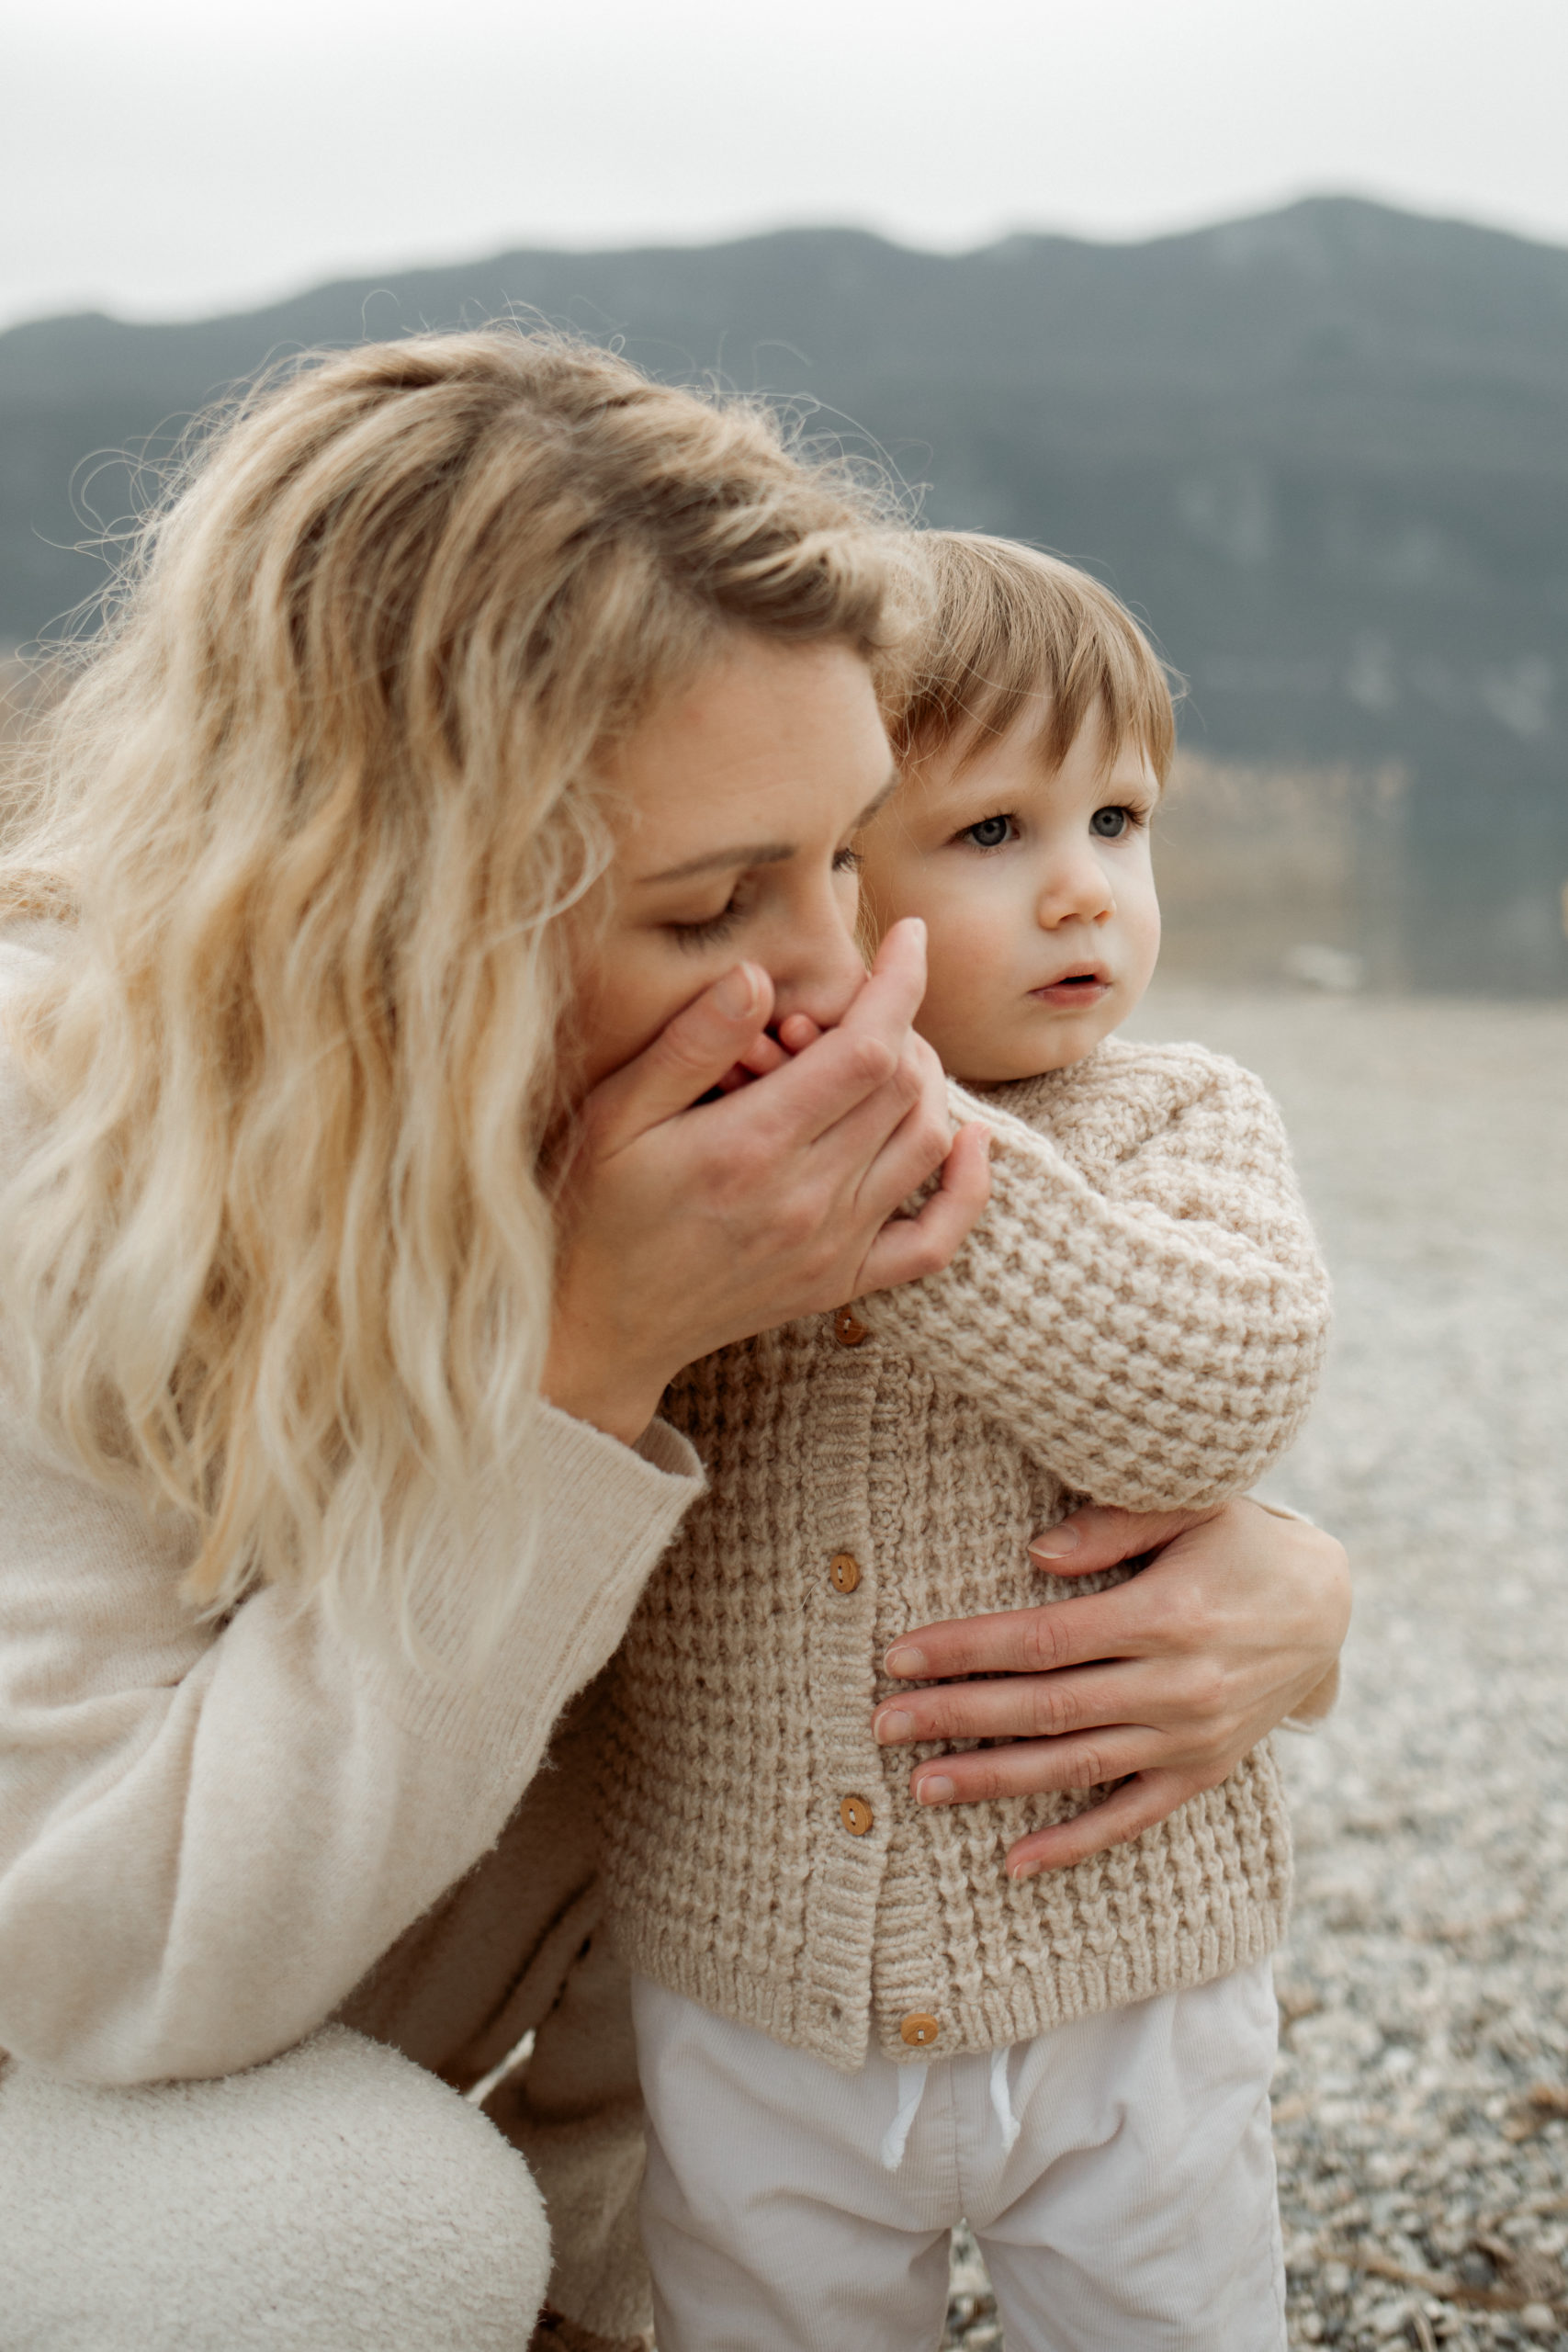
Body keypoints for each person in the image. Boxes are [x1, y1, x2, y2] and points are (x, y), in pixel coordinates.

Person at [0, 334, 1347, 2352]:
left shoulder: (620, 1127)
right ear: (405, 905)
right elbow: (101, 1971)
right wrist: (583, 1368)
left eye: (848, 851)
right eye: (720, 898)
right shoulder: (57, 1132)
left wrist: (1286, 1588)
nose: (833, 973)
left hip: (510, 2065)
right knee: (367, 2235)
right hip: (77, 2069)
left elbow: (750, 1718)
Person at [597, 532, 1334, 2351]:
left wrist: (912, 1149)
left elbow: (1217, 1390)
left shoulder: (1173, 1113)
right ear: (807, 876)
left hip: (1119, 1975)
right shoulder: (685, 1155)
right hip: (755, 1975)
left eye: (1116, 820)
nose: (1085, 892)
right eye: (993, 834)